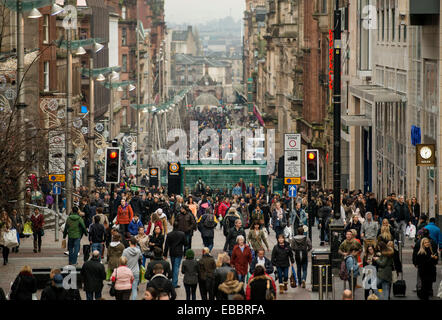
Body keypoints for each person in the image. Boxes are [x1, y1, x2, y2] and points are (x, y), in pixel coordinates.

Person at [164, 221, 187, 288]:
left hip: (172, 252)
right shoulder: (182, 234)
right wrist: (185, 252)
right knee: (176, 267)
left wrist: (165, 254)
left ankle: (173, 280)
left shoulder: (169, 234)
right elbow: (185, 243)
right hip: (179, 252)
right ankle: (174, 283)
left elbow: (166, 245)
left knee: (174, 266)